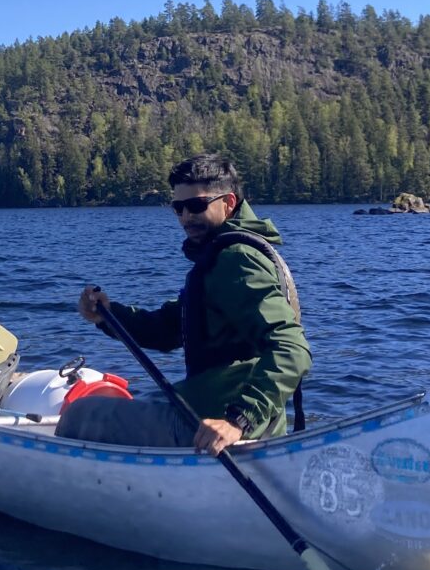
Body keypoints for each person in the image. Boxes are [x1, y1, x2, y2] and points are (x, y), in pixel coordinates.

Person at [55, 154, 311, 455]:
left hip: (218, 423)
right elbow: (170, 328)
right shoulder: (221, 256)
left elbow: (292, 350)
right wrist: (108, 316)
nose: (186, 217)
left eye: (196, 206)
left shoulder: (237, 260)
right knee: (148, 400)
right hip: (215, 406)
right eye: (178, 208)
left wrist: (238, 420)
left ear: (228, 203)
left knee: (79, 413)